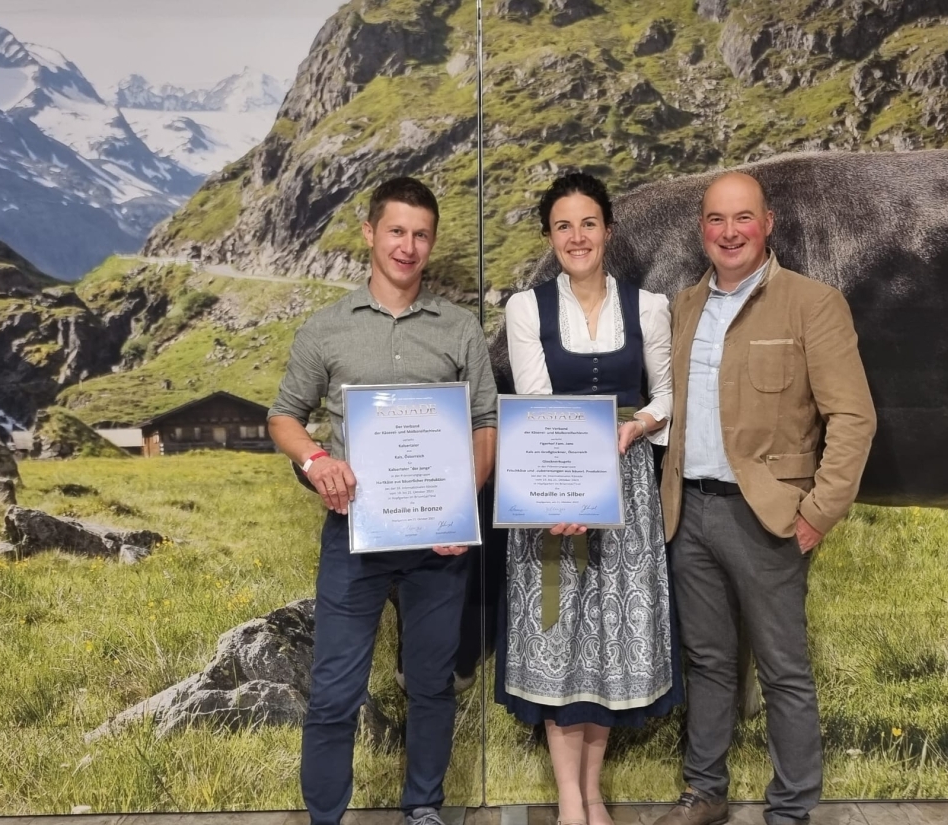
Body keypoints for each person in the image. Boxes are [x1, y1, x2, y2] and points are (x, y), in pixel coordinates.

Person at [267, 177, 498, 825]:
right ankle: (326, 816)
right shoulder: (327, 328)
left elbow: (485, 425)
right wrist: (315, 460)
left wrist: (462, 504)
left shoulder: (459, 329)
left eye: (421, 234)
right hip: (352, 537)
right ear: (370, 233)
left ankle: (422, 807)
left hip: (439, 542)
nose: (409, 245)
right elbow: (284, 416)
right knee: (335, 692)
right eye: (397, 230)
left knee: (431, 685)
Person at [653, 172, 876, 825]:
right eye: (717, 219)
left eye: (742, 217)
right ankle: (705, 793)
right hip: (688, 511)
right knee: (710, 661)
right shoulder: (685, 305)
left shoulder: (814, 303)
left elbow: (854, 418)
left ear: (768, 222)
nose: (729, 231)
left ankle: (791, 808)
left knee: (782, 669)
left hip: (769, 519)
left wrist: (816, 513)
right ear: (702, 229)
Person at [496, 172, 683, 825]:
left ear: (608, 228)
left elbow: (666, 395)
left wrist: (638, 426)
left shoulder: (650, 306)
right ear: (551, 236)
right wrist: (567, 489)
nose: (577, 237)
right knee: (559, 641)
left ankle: (593, 790)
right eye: (563, 226)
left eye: (588, 223)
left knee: (605, 643)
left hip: (627, 484)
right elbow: (539, 401)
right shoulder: (527, 309)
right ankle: (570, 799)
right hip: (551, 479)